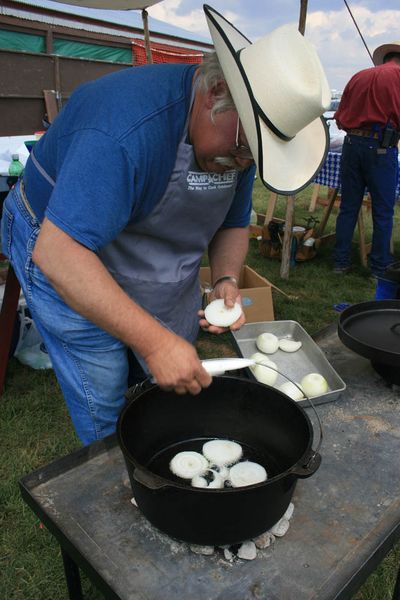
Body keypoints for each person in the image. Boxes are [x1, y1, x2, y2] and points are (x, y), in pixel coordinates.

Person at [1, 5, 330, 445]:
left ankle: (151, 424)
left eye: (251, 158)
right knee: (102, 366)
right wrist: (155, 344)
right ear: (214, 90)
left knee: (163, 345)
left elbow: (232, 221)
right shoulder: (122, 129)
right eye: (240, 151)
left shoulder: (241, 139)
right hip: (60, 236)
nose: (241, 164)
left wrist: (227, 278)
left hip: (141, 240)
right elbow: (60, 253)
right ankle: (109, 461)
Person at [333, 41, 400, 280]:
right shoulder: (397, 76)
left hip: (352, 144)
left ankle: (340, 262)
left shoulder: (359, 76)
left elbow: (340, 117)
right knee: (382, 211)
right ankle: (379, 268)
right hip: (380, 148)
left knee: (349, 207)